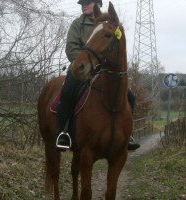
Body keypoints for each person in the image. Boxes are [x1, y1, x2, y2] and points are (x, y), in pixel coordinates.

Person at [56, 0, 140, 151]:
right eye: (82, 3)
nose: (84, 5)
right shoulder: (77, 24)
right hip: (81, 68)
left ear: (98, 4)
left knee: (130, 97)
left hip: (102, 71)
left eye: (88, 3)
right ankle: (63, 133)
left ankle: (128, 134)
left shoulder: (106, 25)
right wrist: (85, 62)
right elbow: (71, 48)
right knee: (67, 92)